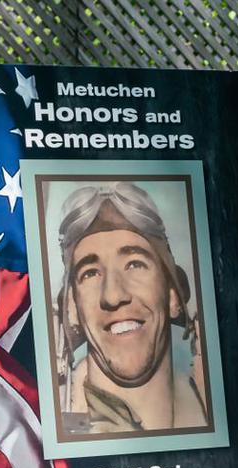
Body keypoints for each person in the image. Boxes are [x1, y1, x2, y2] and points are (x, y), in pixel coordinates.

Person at [55, 182, 208, 436]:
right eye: (90, 273)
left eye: (135, 264)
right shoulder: (51, 429)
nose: (114, 295)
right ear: (72, 306)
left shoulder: (210, 402)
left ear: (172, 295)